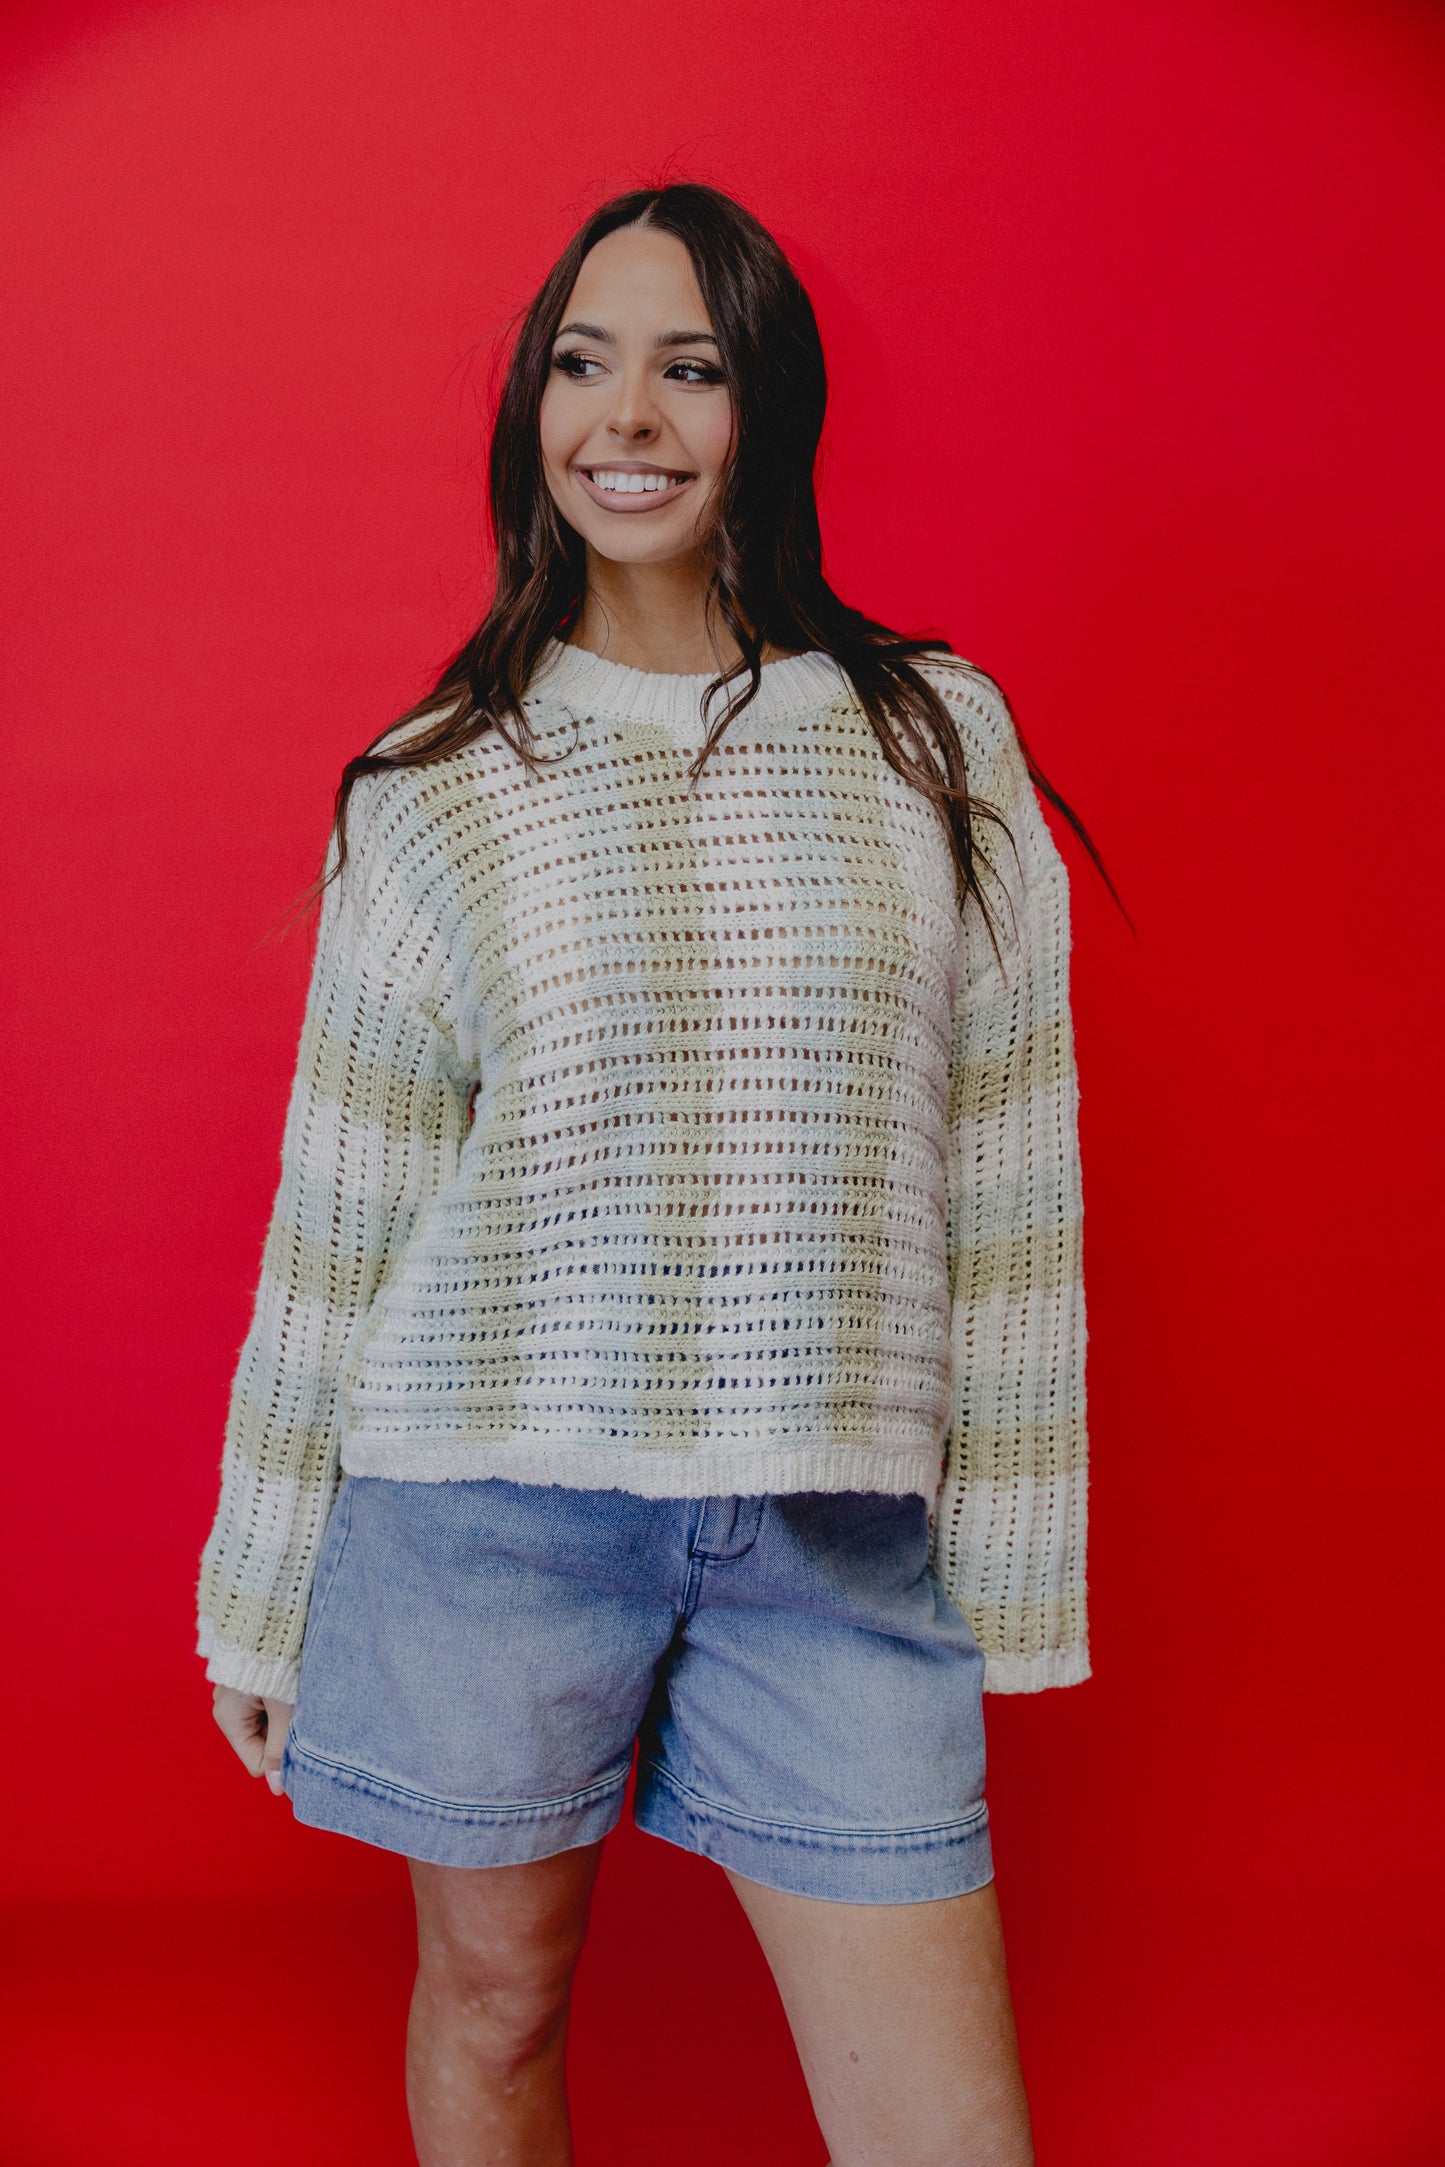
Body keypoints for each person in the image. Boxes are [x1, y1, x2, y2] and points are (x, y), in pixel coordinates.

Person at [197, 179, 1104, 2167]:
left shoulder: (932, 740)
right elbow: (340, 1220)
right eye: (580, 365)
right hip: (486, 1513)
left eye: (688, 367)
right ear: (531, 404)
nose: (625, 417)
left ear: (764, 404)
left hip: (830, 1535)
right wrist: (258, 1592)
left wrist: (1015, 1565)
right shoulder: (436, 780)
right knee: (497, 2007)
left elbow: (1008, 1179)